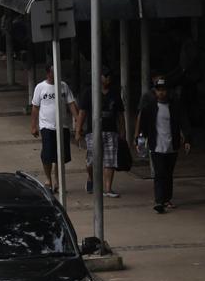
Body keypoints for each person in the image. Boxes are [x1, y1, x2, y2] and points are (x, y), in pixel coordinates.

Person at [136, 77, 190, 214]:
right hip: (156, 145)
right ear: (155, 91)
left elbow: (183, 122)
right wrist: (139, 139)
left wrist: (187, 139)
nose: (161, 93)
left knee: (168, 173)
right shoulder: (150, 107)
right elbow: (143, 123)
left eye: (163, 90)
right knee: (159, 173)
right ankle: (159, 201)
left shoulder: (174, 107)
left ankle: (167, 198)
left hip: (172, 145)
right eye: (158, 90)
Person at [75, 67, 125, 197]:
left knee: (110, 160)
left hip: (111, 131)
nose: (107, 78)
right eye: (105, 75)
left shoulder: (114, 93)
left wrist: (122, 130)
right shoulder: (89, 92)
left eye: (109, 76)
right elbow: (82, 112)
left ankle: (108, 188)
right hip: (93, 131)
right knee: (91, 160)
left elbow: (120, 114)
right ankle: (92, 179)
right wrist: (78, 130)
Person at [30, 64, 79, 192]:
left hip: (62, 126)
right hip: (47, 126)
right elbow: (35, 107)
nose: (56, 75)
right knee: (47, 155)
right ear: (48, 73)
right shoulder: (40, 87)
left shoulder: (63, 86)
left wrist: (78, 121)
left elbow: (71, 104)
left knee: (60, 156)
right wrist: (33, 126)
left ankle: (57, 181)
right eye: (54, 72)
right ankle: (48, 180)